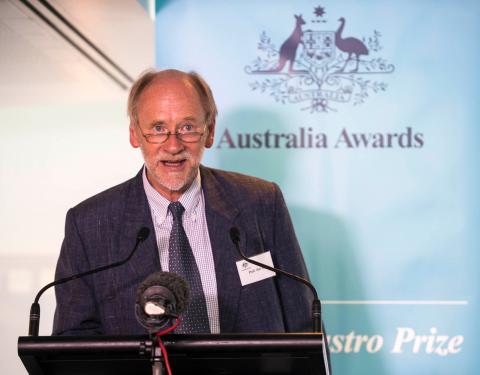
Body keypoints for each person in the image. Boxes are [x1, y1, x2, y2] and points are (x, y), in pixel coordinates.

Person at [52, 69, 313, 335]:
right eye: (158, 128)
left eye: (187, 128)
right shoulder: (89, 225)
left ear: (209, 132)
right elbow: (74, 337)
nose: (173, 145)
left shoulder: (260, 203)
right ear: (134, 134)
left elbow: (303, 322)